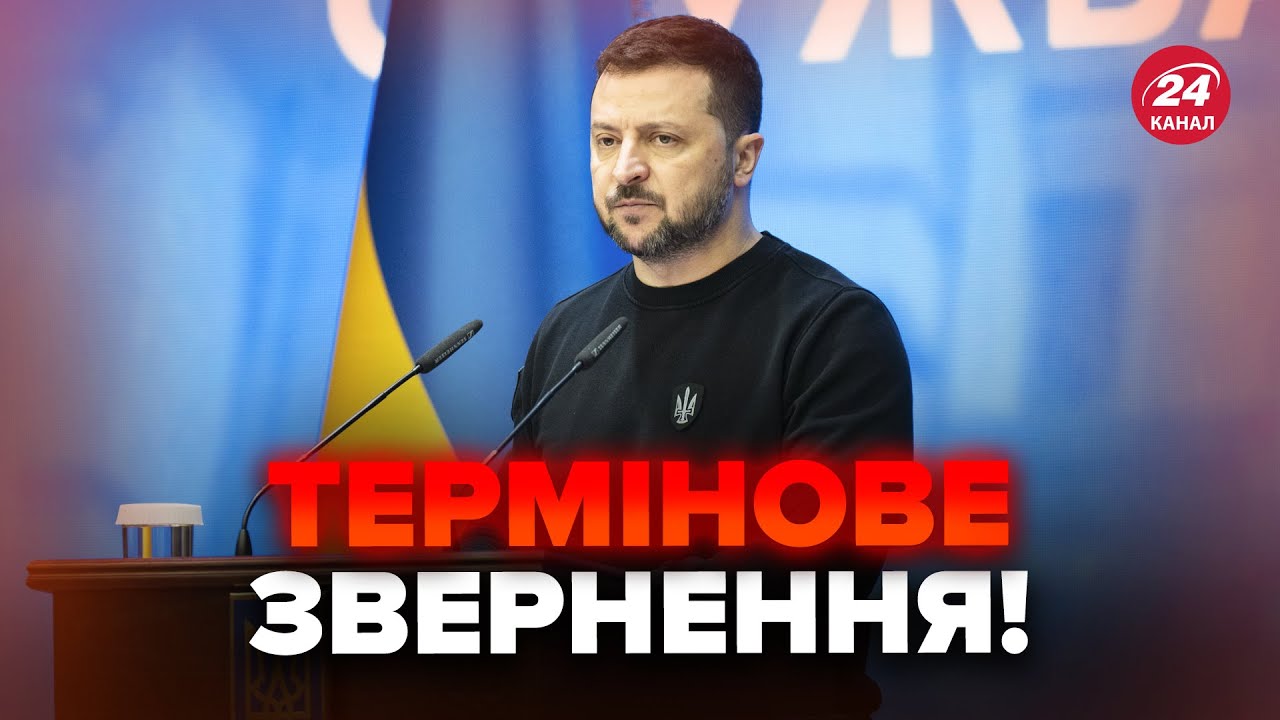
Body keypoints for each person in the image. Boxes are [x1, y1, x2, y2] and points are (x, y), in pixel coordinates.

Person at [509, 15, 911, 719]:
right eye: (607, 140)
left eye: (663, 139)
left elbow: (809, 593)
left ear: (743, 158)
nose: (626, 168)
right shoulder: (565, 332)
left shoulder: (833, 329)